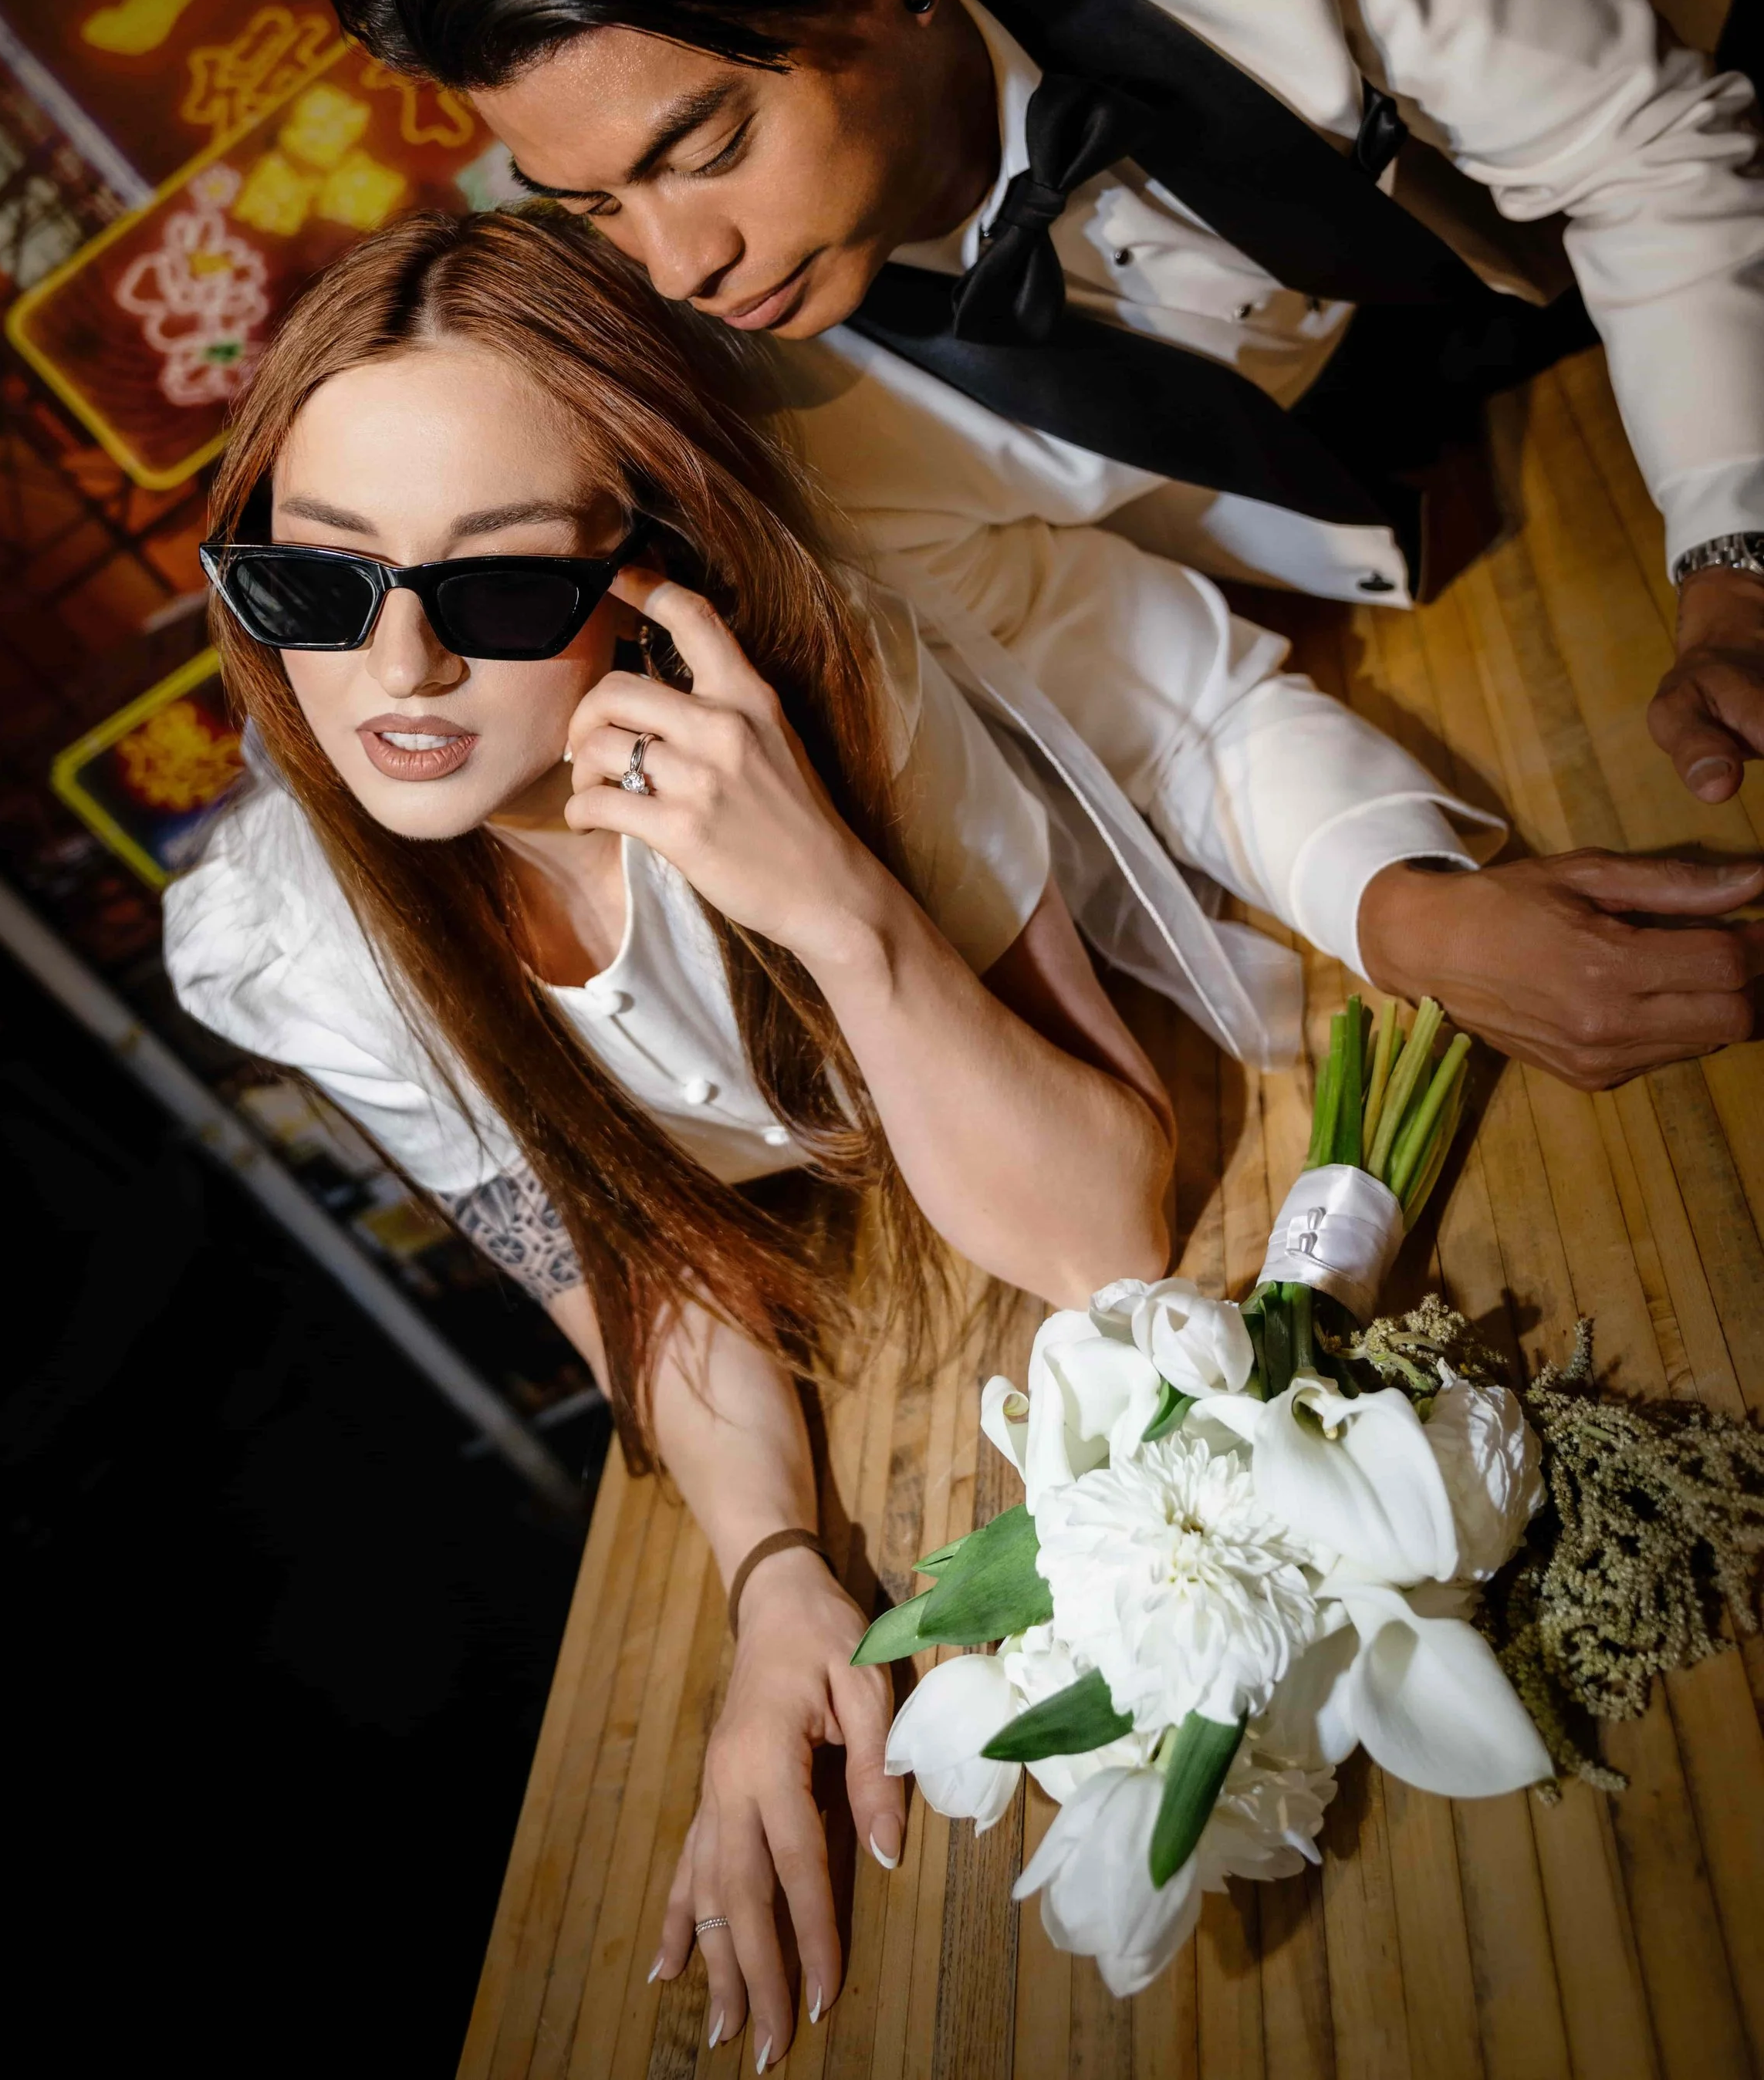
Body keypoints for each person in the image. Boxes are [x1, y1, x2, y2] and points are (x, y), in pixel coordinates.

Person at [324, 0, 1764, 1090]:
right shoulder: (757, 410)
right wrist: (1414, 920)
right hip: (1455, 520)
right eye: (588, 204)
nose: (676, 261)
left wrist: (1733, 557)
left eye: (701, 152)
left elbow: (1645, 155)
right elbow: (1157, 705)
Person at [167, 206, 1191, 2072]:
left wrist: (833, 904)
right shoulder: (288, 940)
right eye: (316, 586)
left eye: (489, 592)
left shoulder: (828, 694)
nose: (394, 674)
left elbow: (1103, 1232)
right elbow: (631, 1263)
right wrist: (772, 1564)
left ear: (643, 571)